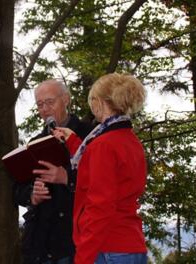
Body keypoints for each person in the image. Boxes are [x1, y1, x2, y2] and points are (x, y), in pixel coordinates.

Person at [51, 73, 148, 264]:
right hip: (131, 245)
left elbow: (100, 207)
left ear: (100, 102)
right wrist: (73, 142)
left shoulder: (103, 145)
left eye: (93, 99)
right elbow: (108, 174)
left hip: (108, 249)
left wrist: (83, 257)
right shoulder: (129, 139)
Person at [13, 79, 94, 264]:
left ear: (66, 99)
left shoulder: (89, 134)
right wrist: (31, 195)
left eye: (50, 102)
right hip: (40, 243)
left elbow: (104, 181)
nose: (45, 109)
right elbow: (16, 189)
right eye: (40, 104)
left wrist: (67, 178)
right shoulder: (35, 143)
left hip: (77, 241)